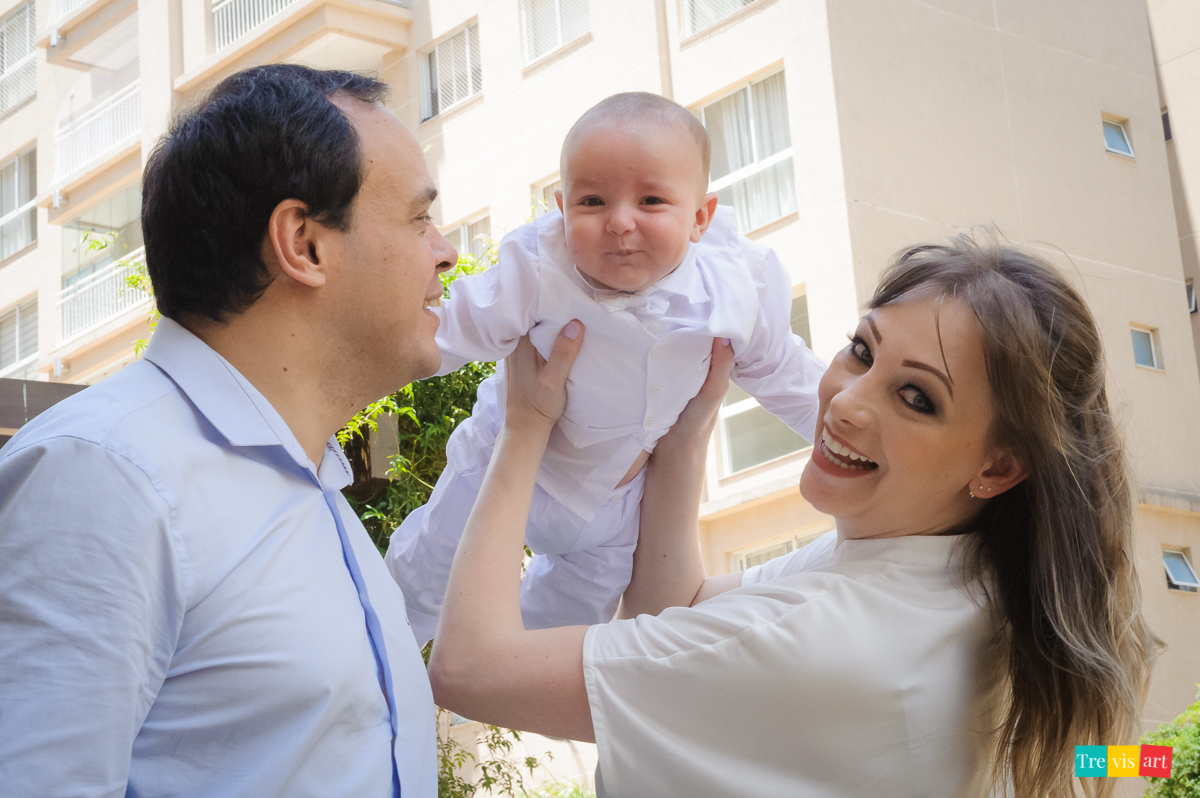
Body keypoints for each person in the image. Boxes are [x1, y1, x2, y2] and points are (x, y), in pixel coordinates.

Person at [427, 233, 1159, 797]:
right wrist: (688, 428)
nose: (846, 401)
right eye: (862, 350)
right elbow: (669, 607)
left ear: (997, 468)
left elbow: (469, 670)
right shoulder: (962, 581)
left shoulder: (837, 637)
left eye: (916, 399)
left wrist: (523, 427)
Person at [0, 65, 457, 797]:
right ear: (303, 243)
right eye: (417, 218)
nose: (447, 250)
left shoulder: (318, 491)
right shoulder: (104, 475)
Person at [387, 92, 825, 642]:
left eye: (650, 201)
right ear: (561, 207)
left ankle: (500, 679)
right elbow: (450, 331)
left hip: (616, 504)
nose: (619, 222)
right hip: (507, 462)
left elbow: (788, 374)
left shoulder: (739, 283)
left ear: (701, 218)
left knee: (571, 620)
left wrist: (849, 435)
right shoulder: (536, 266)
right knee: (429, 567)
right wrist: (360, 355)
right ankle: (378, 644)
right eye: (592, 201)